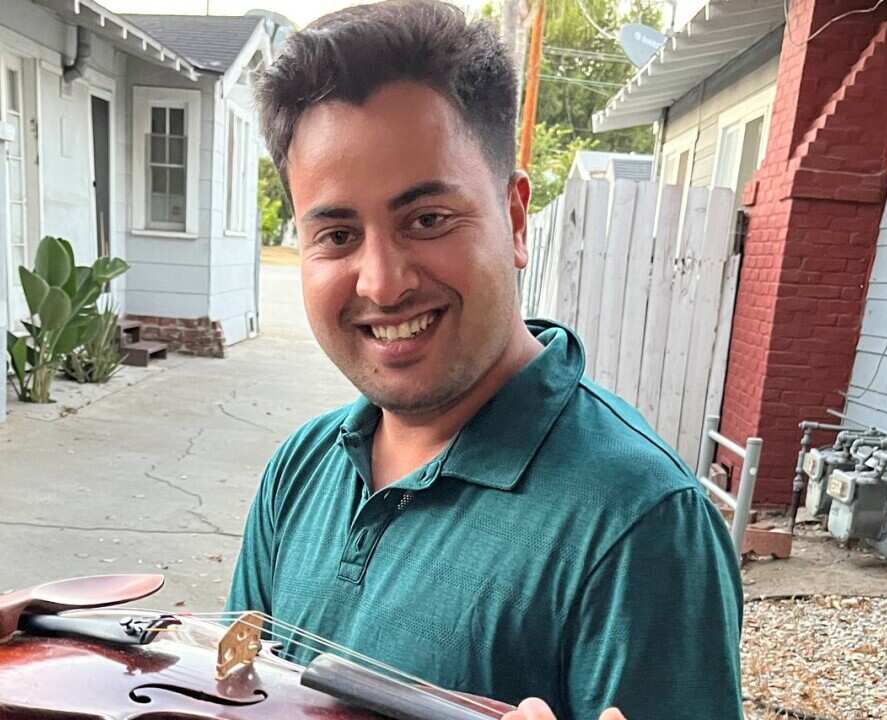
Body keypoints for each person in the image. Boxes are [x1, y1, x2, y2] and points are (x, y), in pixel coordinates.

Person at [225, 2, 745, 718]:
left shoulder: (640, 522)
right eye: (338, 234)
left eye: (428, 220)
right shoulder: (299, 470)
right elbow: (229, 698)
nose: (382, 282)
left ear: (516, 217)